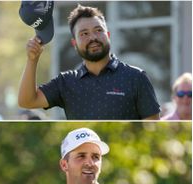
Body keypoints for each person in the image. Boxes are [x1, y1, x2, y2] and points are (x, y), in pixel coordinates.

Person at [18, 4, 160, 120]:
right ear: (74, 43)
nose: (93, 37)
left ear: (108, 35)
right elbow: (27, 101)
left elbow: (153, 129)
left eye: (98, 30)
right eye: (84, 33)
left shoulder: (136, 78)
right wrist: (32, 60)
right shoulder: (66, 82)